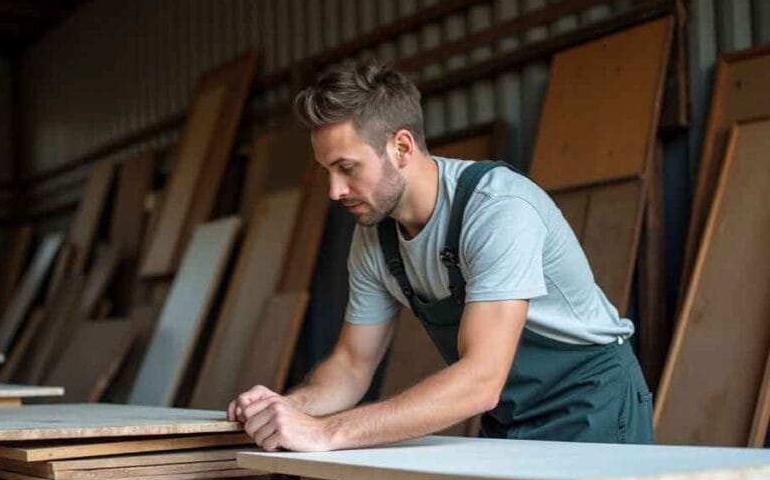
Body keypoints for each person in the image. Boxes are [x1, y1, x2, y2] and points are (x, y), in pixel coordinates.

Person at [227, 63, 653, 451]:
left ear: (402, 147)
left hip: (592, 402)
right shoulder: (375, 236)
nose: (334, 191)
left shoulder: (497, 209)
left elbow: (482, 379)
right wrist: (288, 408)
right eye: (327, 172)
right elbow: (353, 364)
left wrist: (327, 431)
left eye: (347, 168)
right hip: (510, 415)